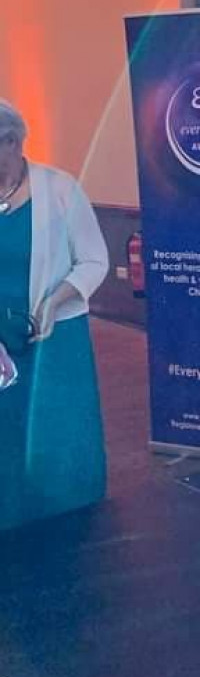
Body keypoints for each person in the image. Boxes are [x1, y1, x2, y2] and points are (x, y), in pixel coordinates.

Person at [0, 100, 109, 532]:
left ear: (10, 141)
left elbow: (94, 262)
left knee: (58, 432)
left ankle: (68, 518)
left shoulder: (60, 189)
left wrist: (55, 301)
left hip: (56, 334)